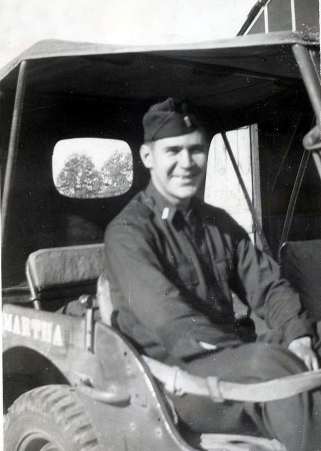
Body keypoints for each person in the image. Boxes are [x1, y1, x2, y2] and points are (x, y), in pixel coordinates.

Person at [104, 98, 321, 450]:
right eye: (173, 151)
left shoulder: (218, 223)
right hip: (175, 380)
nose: (187, 163)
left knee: (306, 343)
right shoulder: (128, 233)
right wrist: (260, 352)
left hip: (228, 360)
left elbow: (269, 287)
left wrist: (297, 336)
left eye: (196, 150)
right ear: (148, 158)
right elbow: (174, 325)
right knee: (273, 365)